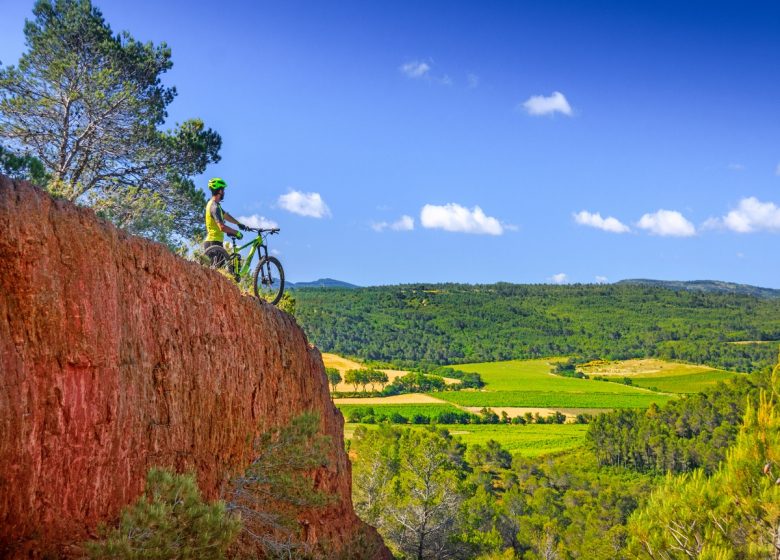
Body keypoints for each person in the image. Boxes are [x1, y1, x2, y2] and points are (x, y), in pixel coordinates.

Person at [204, 177, 246, 262]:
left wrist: (238, 223)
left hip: (215, 242)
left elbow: (225, 215)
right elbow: (222, 227)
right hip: (213, 242)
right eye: (223, 190)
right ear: (219, 191)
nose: (224, 192)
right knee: (217, 272)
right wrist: (236, 232)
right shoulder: (214, 207)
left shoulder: (215, 204)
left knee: (220, 270)